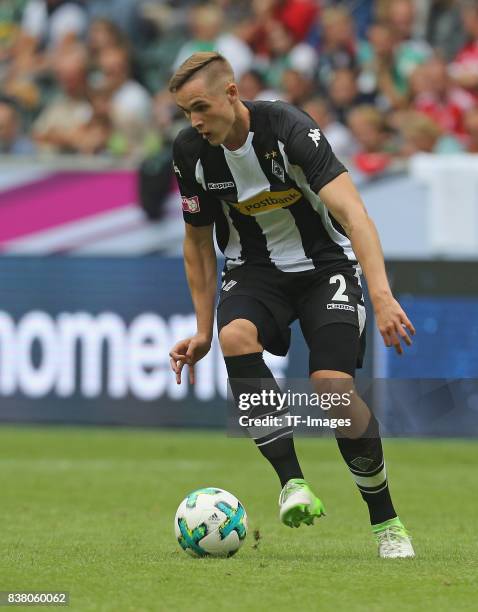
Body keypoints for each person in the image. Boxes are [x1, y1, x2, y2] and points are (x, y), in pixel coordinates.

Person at [168, 52, 416, 559]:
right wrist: (201, 329)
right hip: (253, 272)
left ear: (232, 94)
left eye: (201, 107)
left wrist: (383, 294)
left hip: (325, 267)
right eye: (185, 112)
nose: (195, 121)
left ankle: (385, 520)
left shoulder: (288, 129)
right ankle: (292, 484)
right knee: (234, 336)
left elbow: (354, 213)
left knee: (331, 392)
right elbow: (195, 243)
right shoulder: (191, 151)